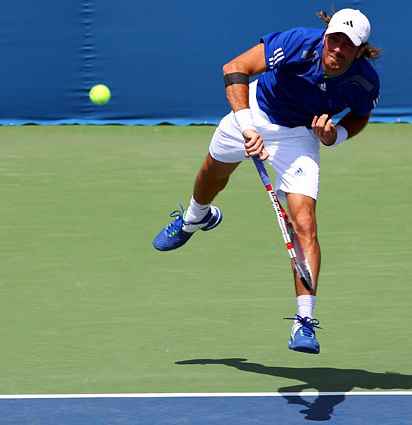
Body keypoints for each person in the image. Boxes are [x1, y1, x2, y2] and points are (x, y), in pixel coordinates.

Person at [153, 8, 381, 354]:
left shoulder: (364, 81)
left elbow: (360, 115)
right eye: (334, 39)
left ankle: (304, 322)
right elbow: (235, 68)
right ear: (325, 35)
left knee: (305, 223)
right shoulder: (298, 43)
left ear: (361, 51)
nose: (337, 48)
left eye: (348, 45)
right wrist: (247, 128)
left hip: (299, 136)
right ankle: (195, 217)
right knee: (212, 173)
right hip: (254, 111)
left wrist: (335, 136)